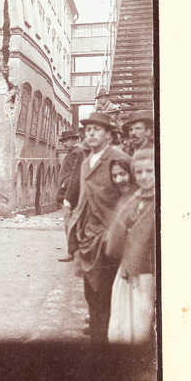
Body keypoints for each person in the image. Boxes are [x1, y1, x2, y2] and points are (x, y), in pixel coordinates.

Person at [67, 111, 129, 343]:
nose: (91, 133)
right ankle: (97, 340)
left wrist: (118, 230)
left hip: (111, 239)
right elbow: (83, 201)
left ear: (109, 135)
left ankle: (103, 346)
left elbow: (130, 196)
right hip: (88, 239)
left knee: (105, 296)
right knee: (91, 294)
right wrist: (77, 231)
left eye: (97, 129)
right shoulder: (86, 163)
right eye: (88, 130)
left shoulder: (118, 158)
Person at [106, 148, 156, 344]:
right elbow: (116, 238)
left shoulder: (160, 201)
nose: (144, 176)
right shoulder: (134, 200)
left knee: (143, 320)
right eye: (139, 172)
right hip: (128, 269)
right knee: (124, 321)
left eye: (149, 171)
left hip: (149, 271)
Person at [56, 129, 82, 262]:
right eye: (63, 141)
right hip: (69, 192)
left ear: (74, 140)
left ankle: (72, 252)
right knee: (71, 222)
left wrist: (65, 184)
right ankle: (74, 251)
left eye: (67, 141)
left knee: (69, 222)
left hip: (71, 193)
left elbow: (75, 173)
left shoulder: (76, 152)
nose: (64, 143)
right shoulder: (72, 152)